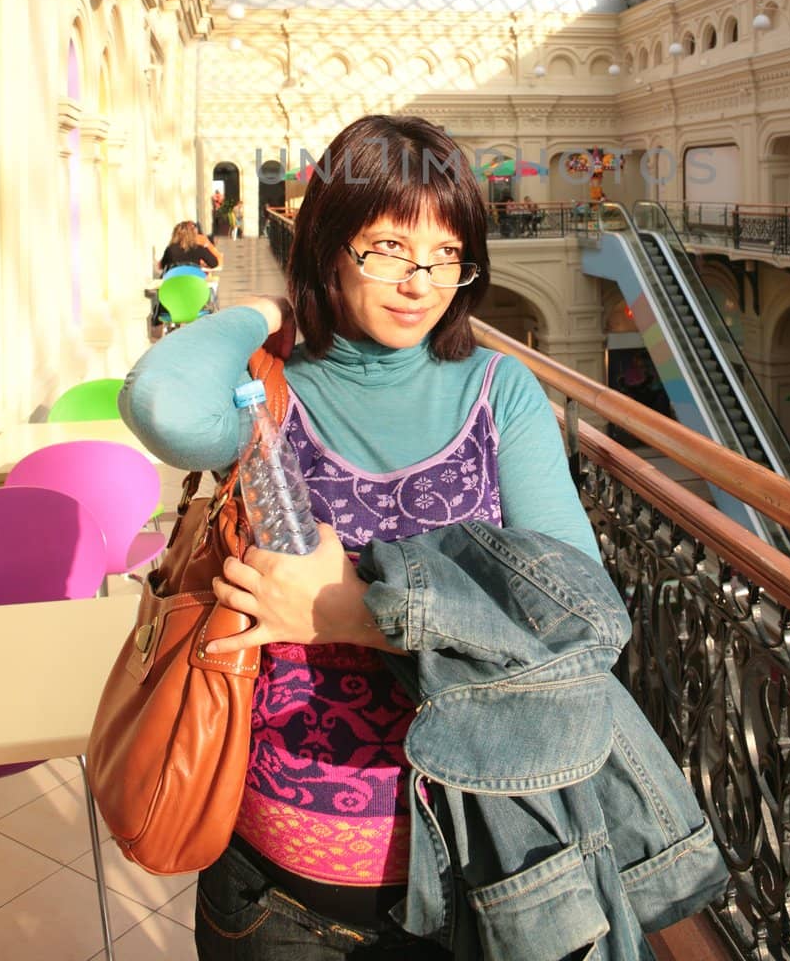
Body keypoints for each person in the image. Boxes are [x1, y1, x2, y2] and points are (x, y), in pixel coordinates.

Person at [120, 115, 600, 958]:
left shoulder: (499, 392)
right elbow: (160, 402)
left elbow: (574, 618)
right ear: (330, 247)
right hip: (273, 885)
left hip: (468, 866)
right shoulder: (265, 399)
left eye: (445, 255)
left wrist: (352, 614)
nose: (419, 283)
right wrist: (270, 307)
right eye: (386, 248)